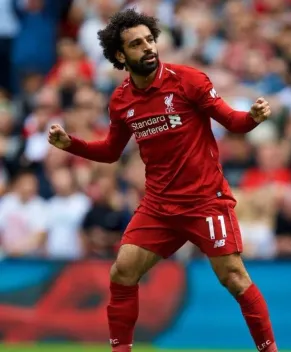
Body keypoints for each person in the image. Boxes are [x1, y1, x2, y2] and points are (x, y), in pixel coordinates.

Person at [47, 9, 277, 352]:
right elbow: (112, 151)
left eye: (150, 40)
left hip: (204, 200)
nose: (149, 47)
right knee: (122, 272)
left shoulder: (189, 80)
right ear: (121, 55)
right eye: (137, 44)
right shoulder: (121, 100)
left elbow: (231, 120)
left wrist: (253, 117)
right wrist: (71, 144)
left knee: (233, 277)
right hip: (159, 206)